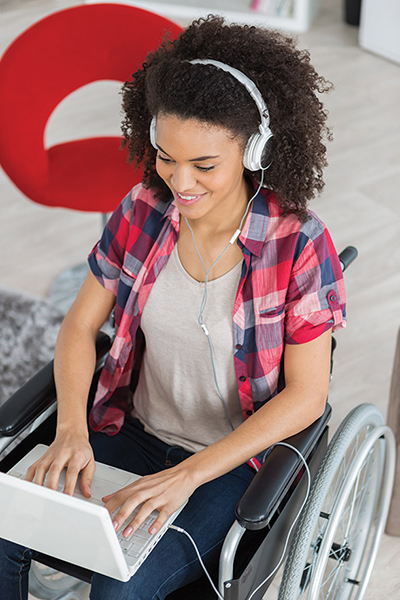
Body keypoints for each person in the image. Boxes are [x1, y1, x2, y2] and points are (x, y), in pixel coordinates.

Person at [0, 15, 346, 600]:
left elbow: (308, 396)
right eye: (165, 156)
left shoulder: (299, 244)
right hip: (131, 431)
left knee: (120, 587)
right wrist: (68, 433)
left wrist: (186, 476)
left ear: (254, 150)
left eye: (204, 166)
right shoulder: (142, 210)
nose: (179, 182)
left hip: (229, 464)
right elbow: (81, 325)